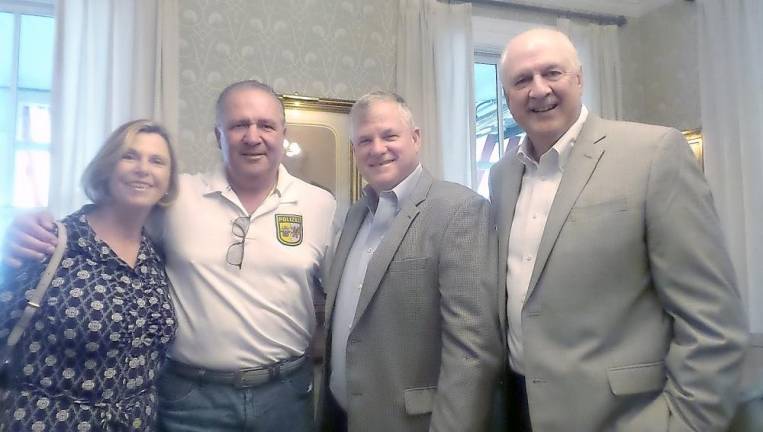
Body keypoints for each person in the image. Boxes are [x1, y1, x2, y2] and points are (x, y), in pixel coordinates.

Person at [3, 80, 337, 431]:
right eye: (239, 125)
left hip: (285, 395)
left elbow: (340, 293)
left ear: (282, 133)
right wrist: (28, 227)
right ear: (217, 135)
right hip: (191, 398)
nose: (252, 136)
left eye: (266, 125)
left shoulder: (320, 205)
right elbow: (110, 221)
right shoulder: (176, 197)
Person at [490, 28, 748, 431]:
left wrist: (684, 423)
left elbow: (713, 321)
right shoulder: (502, 175)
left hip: (626, 417)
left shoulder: (653, 153)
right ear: (507, 98)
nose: (538, 90)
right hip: (521, 411)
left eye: (552, 73)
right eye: (522, 80)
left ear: (579, 79)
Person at [318, 91, 502, 432]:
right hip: (344, 417)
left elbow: (472, 348)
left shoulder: (459, 210)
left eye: (389, 135)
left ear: (415, 139)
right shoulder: (356, 215)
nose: (377, 148)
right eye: (364, 140)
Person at [0, 119, 179, 431]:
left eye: (157, 161)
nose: (143, 168)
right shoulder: (49, 243)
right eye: (130, 156)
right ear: (107, 168)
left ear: (168, 181)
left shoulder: (159, 256)